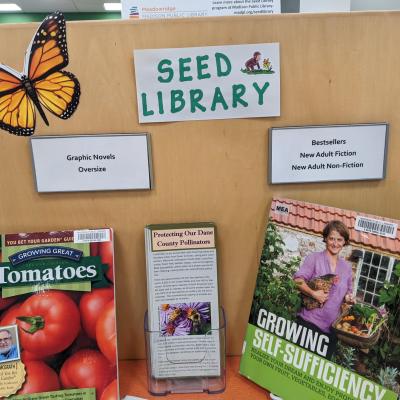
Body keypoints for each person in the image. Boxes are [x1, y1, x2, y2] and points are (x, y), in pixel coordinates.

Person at [293, 220, 353, 359]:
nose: (335, 243)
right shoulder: (314, 259)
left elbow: (348, 292)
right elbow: (297, 281)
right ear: (325, 238)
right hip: (308, 324)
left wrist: (349, 298)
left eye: (339, 239)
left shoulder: (347, 268)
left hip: (331, 331)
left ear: (344, 242)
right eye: (331, 238)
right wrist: (313, 293)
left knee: (316, 374)